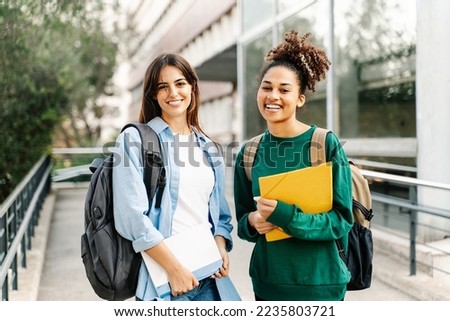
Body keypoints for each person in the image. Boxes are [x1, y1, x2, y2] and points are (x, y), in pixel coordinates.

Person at [233, 29, 354, 301]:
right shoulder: (249, 152)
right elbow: (242, 221)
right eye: (266, 87)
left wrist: (287, 217)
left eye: (284, 89)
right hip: (268, 286)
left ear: (300, 98)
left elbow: (341, 220)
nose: (273, 95)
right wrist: (252, 221)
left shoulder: (325, 144)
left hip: (321, 285)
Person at [112, 53, 239, 301]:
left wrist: (221, 245)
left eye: (180, 83)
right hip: (167, 283)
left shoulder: (208, 148)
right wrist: (174, 269)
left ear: (192, 87)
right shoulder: (135, 140)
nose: (173, 93)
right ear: (153, 95)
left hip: (211, 279)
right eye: (163, 87)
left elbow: (220, 214)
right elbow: (131, 218)